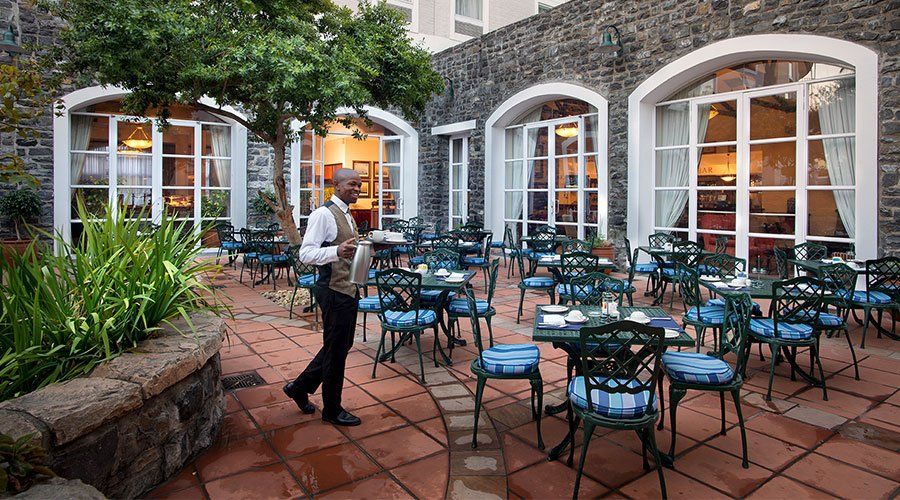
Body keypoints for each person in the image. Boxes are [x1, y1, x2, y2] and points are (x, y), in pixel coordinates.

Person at [283, 168, 363, 426]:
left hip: (348, 289)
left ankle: (299, 387)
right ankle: (332, 409)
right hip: (333, 291)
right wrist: (336, 251)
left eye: (359, 185)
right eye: (352, 184)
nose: (357, 189)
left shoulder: (347, 214)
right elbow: (306, 254)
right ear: (336, 185)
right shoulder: (323, 214)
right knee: (336, 351)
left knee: (339, 346)